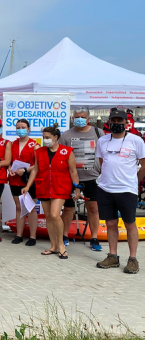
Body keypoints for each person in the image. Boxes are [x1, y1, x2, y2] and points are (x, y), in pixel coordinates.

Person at [95, 109, 145, 274]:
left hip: (127, 189)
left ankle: (132, 259)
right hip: (105, 188)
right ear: (109, 122)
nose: (117, 124)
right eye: (114, 121)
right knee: (110, 223)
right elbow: (103, 161)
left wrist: (135, 182)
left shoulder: (136, 140)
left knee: (130, 224)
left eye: (120, 121)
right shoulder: (102, 140)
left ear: (126, 123)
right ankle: (113, 256)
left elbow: (143, 164)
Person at [23, 124, 79, 260]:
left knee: (55, 215)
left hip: (60, 187)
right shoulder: (39, 151)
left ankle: (61, 245)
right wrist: (28, 186)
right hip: (44, 186)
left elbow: (73, 171)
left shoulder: (67, 151)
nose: (45, 140)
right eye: (43, 137)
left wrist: (77, 187)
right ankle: (53, 246)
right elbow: (35, 169)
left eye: (47, 137)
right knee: (48, 217)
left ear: (55, 137)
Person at [59, 108, 104, 250]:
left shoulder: (98, 133)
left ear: (88, 119)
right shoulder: (66, 135)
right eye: (76, 116)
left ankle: (94, 238)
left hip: (93, 178)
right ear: (72, 119)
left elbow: (104, 155)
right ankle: (64, 236)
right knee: (68, 208)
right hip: (71, 178)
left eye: (82, 116)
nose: (79, 119)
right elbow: (61, 156)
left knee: (93, 209)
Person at [8, 119, 39, 246]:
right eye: (18, 127)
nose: (20, 129)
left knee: (30, 208)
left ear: (28, 129)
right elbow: (8, 161)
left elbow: (37, 165)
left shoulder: (35, 145)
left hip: (29, 180)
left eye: (23, 127)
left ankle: (32, 237)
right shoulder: (12, 144)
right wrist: (10, 170)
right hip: (14, 180)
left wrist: (25, 170)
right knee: (19, 207)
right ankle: (19, 235)